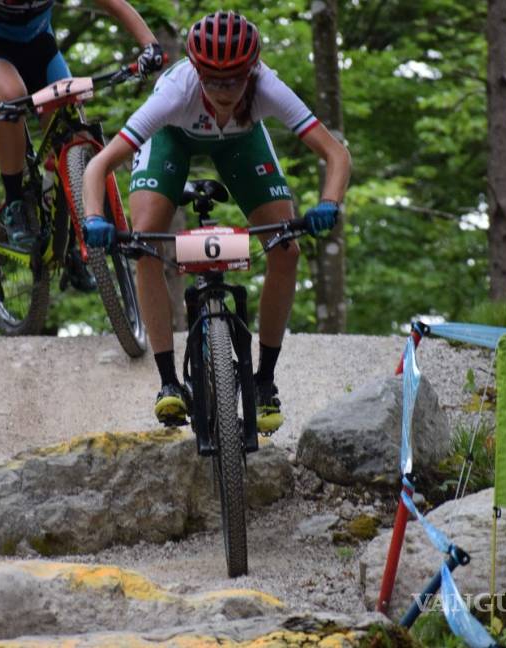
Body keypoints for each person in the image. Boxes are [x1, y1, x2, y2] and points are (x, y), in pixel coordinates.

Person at [81, 11, 352, 432]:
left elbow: (336, 155)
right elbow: (98, 166)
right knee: (145, 245)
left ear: (252, 71)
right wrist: (95, 218)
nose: (224, 90)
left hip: (242, 141)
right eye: (213, 80)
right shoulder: (174, 93)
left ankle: (264, 382)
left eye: (235, 80)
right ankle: (169, 382)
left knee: (286, 247)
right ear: (196, 71)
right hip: (172, 136)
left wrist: (329, 204)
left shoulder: (267, 86)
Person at [0, 0, 164, 287]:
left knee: (72, 128)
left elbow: (113, 4)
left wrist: (149, 45)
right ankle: (16, 202)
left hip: (40, 48)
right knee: (10, 96)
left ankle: (74, 241)